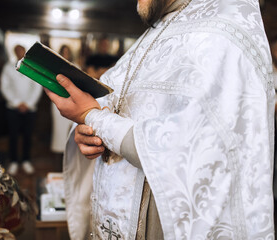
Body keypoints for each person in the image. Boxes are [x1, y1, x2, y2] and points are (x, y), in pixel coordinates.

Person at [46, 0, 275, 239]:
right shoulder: (157, 31)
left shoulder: (223, 31)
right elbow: (113, 102)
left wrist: (92, 117)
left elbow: (183, 149)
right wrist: (89, 131)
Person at [0, 45, 43, 175]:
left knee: (28, 135)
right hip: (13, 107)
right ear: (15, 52)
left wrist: (28, 104)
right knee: (13, 135)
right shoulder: (8, 68)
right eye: (17, 51)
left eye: (22, 51)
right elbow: (4, 87)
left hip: (30, 108)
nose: (20, 53)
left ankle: (26, 160)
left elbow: (38, 86)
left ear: (25, 52)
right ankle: (13, 161)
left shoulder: (33, 67)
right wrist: (17, 103)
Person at [50, 45, 74, 156]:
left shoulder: (75, 67)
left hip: (72, 101)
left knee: (71, 131)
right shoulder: (55, 67)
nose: (65, 54)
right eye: (63, 52)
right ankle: (58, 158)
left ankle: (70, 155)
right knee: (58, 132)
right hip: (58, 100)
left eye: (67, 52)